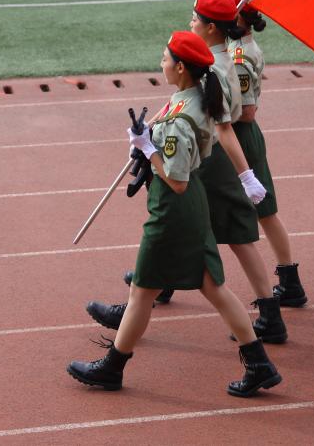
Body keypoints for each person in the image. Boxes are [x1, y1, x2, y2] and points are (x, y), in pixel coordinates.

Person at [67, 31, 282, 397]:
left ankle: (113, 368)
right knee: (211, 287)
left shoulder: (182, 117)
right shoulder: (193, 97)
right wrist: (148, 139)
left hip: (173, 209)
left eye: (165, 59)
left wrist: (148, 149)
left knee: (142, 290)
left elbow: (176, 180)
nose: (161, 63)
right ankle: (259, 364)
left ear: (181, 68)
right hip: (190, 205)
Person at [87, 0, 288, 344]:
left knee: (230, 236)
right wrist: (153, 131)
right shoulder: (210, 59)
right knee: (206, 236)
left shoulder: (217, 68)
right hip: (206, 157)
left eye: (195, 18)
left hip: (211, 162)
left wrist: (245, 176)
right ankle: (154, 290)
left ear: (210, 28)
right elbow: (184, 105)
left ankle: (267, 315)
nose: (191, 22)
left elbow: (224, 127)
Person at [224, 0, 307, 307]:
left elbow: (246, 111)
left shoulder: (239, 56)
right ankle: (290, 282)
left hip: (239, 135)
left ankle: (290, 282)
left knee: (264, 209)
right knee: (263, 211)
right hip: (237, 134)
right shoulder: (237, 47)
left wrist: (215, 111)